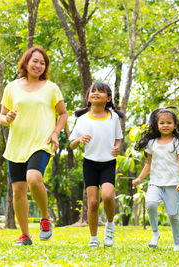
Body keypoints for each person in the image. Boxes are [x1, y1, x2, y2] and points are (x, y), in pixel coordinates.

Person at [0, 46, 68, 246]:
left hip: (41, 142)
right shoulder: (11, 87)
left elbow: (63, 113)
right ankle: (25, 235)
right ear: (26, 62)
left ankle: (45, 217)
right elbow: (2, 117)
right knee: (18, 191)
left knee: (33, 178)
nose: (38, 65)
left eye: (42, 62)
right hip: (16, 145)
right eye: (35, 61)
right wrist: (8, 117)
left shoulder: (51, 88)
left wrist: (55, 132)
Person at [69, 82, 124, 248]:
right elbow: (71, 144)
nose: (95, 93)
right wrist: (78, 140)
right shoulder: (82, 119)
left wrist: (117, 147)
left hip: (108, 163)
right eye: (92, 91)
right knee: (92, 202)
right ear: (88, 97)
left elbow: (118, 138)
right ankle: (93, 238)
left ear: (108, 98)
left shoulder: (113, 117)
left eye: (100, 91)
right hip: (90, 164)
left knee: (108, 196)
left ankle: (110, 225)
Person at [132, 107, 179, 251]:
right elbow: (149, 164)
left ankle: (177, 244)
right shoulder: (152, 144)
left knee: (173, 215)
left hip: (173, 184)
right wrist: (139, 178)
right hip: (155, 183)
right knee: (151, 204)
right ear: (157, 125)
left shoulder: (178, 143)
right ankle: (155, 233)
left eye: (169, 122)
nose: (165, 125)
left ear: (175, 125)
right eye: (162, 123)